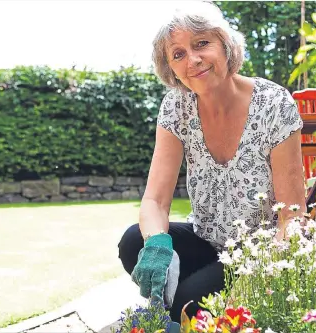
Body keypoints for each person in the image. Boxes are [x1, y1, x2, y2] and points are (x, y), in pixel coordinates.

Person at [118, 1, 306, 323]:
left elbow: (292, 217)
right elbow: (155, 200)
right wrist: (158, 245)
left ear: (225, 45)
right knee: (135, 241)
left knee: (184, 308)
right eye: (178, 54)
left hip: (259, 253)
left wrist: (263, 275)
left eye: (202, 43)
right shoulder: (177, 107)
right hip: (208, 241)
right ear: (171, 69)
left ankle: (190, 307)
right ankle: (191, 304)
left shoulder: (273, 103)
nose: (193, 60)